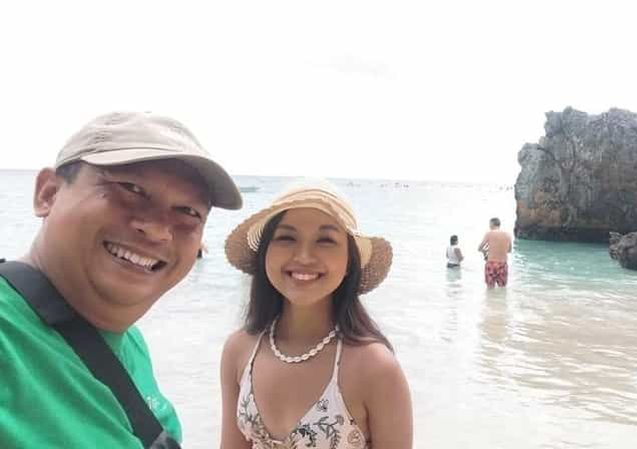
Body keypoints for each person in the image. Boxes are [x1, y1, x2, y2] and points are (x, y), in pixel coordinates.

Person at [0, 111, 242, 448]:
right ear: (48, 194)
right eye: (131, 189)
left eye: (188, 212)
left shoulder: (129, 342)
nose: (157, 230)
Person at [220, 180, 413, 449]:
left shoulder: (375, 368)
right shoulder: (240, 350)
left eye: (326, 240)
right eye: (287, 238)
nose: (304, 256)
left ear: (349, 262)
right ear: (265, 253)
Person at [477, 217, 512, 288]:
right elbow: (509, 250)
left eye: (489, 224)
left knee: (490, 287)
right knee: (502, 287)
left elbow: (480, 248)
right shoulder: (507, 235)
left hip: (491, 263)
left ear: (492, 224)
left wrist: (486, 250)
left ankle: (491, 296)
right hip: (502, 264)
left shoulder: (489, 234)